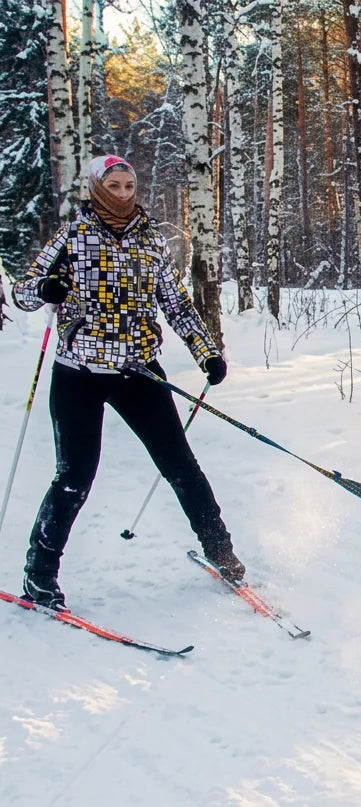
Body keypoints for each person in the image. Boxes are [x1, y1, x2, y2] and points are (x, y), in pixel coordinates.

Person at [12, 154, 244, 609]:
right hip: (78, 373)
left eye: (128, 187)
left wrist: (207, 352)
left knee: (182, 467)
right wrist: (44, 291)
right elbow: (23, 291)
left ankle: (222, 552)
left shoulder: (150, 241)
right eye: (113, 186)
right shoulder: (71, 236)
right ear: (97, 187)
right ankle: (39, 574)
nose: (122, 194)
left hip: (138, 371)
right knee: (74, 478)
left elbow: (176, 304)